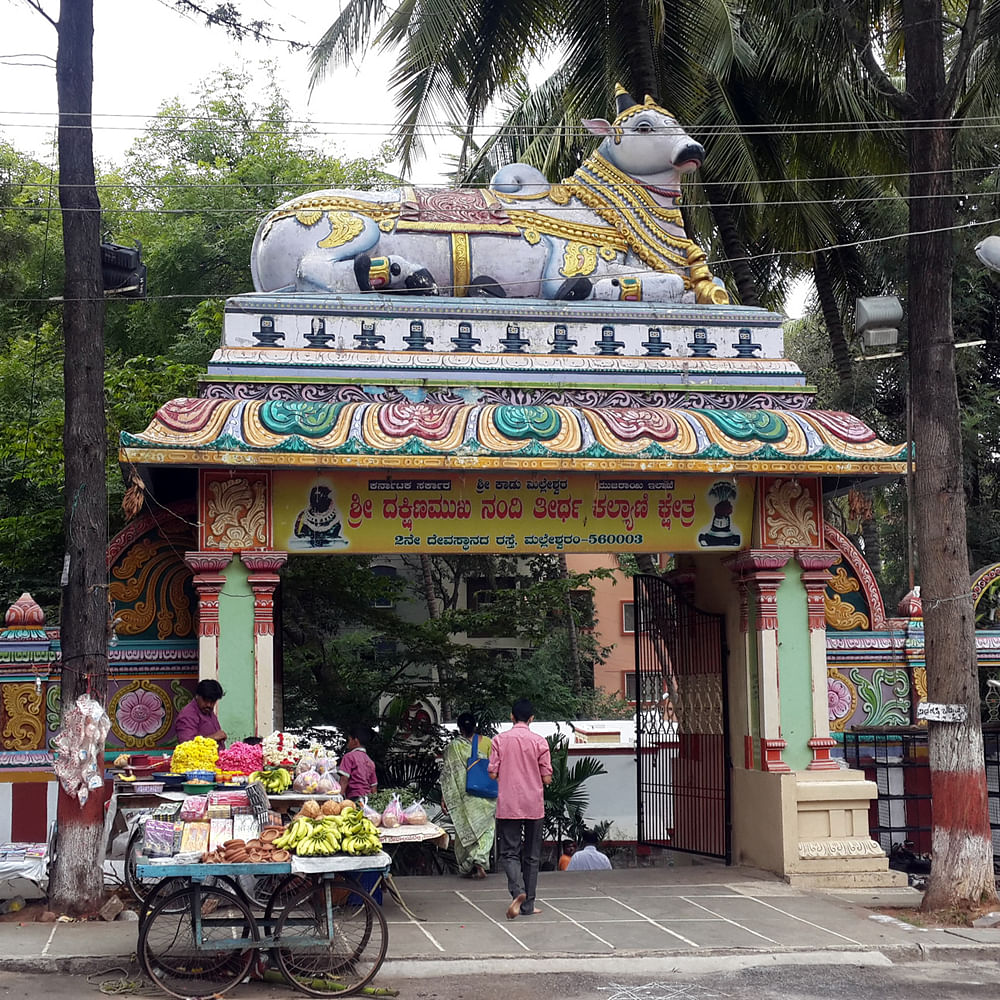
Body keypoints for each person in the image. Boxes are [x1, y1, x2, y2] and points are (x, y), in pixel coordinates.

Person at [488, 698, 552, 919]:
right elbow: (547, 778)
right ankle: (528, 905)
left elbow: (493, 774)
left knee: (509, 852)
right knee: (532, 856)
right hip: (533, 804)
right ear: (532, 719)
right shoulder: (540, 742)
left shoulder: (499, 741)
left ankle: (518, 891)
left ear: (511, 717)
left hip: (509, 805)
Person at [439, 712, 496, 880]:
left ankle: (467, 865)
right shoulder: (487, 742)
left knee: (464, 829)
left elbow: (447, 775)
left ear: (459, 728)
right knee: (486, 829)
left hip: (462, 797)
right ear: (475, 726)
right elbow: (494, 767)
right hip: (483, 795)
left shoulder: (452, 747)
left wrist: (444, 798)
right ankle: (478, 859)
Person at [174, 679, 227, 747]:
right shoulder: (188, 715)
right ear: (197, 696)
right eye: (205, 700)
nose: (209, 705)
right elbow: (186, 745)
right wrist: (214, 737)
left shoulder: (207, 711)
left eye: (212, 701)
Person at [338, 725, 378, 800]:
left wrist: (339, 797)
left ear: (355, 741)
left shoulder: (349, 757)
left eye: (349, 740)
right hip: (367, 798)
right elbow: (373, 786)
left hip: (354, 797)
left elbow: (344, 779)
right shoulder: (370, 761)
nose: (347, 744)